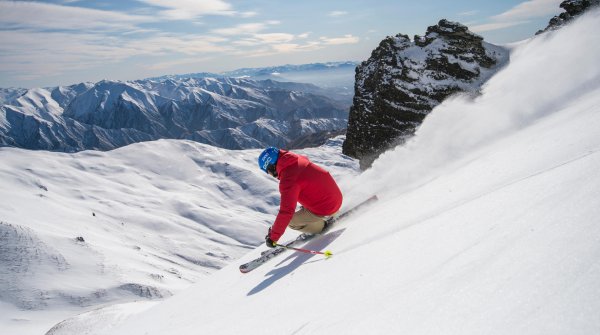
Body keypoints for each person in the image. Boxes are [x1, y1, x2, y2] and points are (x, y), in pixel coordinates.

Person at [258, 147, 343, 248]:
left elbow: (286, 211)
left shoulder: (288, 179)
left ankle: (323, 226)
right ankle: (328, 215)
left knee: (291, 222)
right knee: (301, 205)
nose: (271, 175)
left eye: (269, 172)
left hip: (327, 208)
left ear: (272, 167)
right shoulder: (297, 159)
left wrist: (273, 237)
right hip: (336, 198)